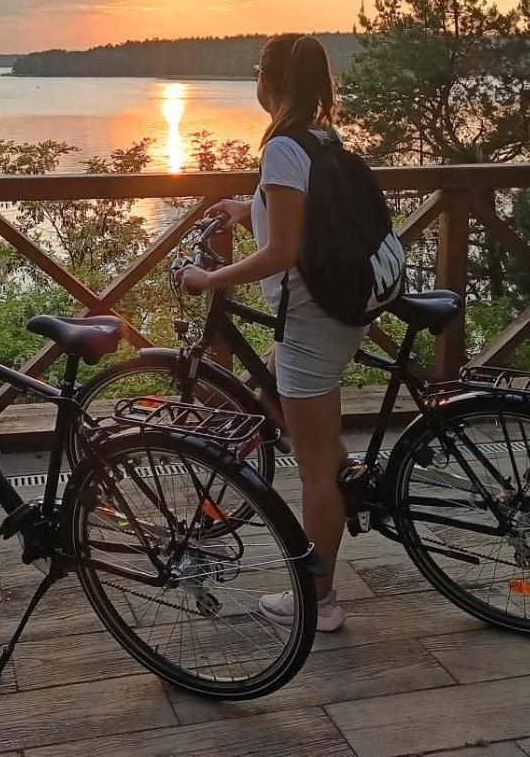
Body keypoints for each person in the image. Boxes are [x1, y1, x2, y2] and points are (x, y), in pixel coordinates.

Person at [178, 33, 366, 632]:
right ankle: (349, 478)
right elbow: (304, 219)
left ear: (272, 80)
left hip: (310, 319)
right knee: (287, 414)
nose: (254, 80)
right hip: (336, 308)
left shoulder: (283, 146)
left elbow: (283, 251)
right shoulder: (321, 136)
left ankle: (319, 601)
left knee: (314, 470)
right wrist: (248, 207)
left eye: (257, 70)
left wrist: (210, 278)